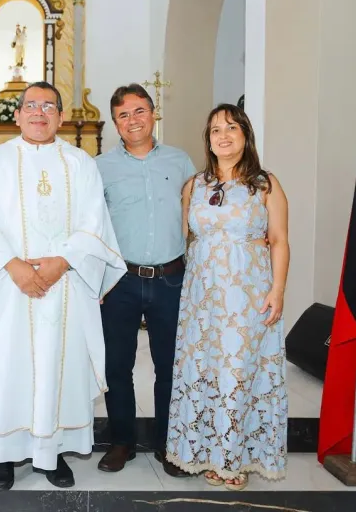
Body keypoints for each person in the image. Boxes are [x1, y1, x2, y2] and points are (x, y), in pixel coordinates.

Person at [0, 81, 127, 490]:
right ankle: (2, 456)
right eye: (31, 105)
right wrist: (14, 266)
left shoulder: (80, 163)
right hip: (8, 285)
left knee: (57, 366)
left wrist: (61, 263)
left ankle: (51, 453)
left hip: (63, 286)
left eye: (48, 106)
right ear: (17, 115)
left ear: (60, 117)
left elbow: (94, 222)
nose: (39, 113)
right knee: (7, 366)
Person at [165, 103, 289, 490]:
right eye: (216, 129)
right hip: (202, 295)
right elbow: (184, 238)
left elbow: (280, 240)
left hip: (246, 294)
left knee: (238, 371)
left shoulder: (265, 184)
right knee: (205, 370)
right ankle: (207, 452)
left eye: (232, 127)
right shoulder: (194, 185)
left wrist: (278, 290)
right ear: (208, 140)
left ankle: (233, 460)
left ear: (245, 135)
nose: (223, 135)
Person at [94, 83, 196, 477]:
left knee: (169, 365)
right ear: (115, 123)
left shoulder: (180, 162)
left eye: (139, 111)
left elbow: (196, 217)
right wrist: (97, 281)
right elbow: (92, 227)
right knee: (117, 365)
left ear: (153, 114)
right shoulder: (100, 167)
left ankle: (168, 443)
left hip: (171, 278)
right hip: (120, 279)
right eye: (123, 115)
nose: (132, 120)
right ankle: (122, 441)